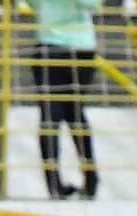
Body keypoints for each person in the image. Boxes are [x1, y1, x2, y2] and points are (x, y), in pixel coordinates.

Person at [29, 0, 99, 199]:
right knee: (74, 113)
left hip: (50, 44)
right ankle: (90, 178)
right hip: (81, 46)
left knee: (51, 115)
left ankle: (54, 184)